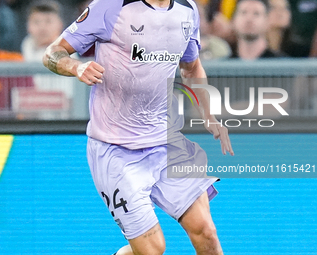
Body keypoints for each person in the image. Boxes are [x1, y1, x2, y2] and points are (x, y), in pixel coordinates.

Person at [43, 0, 234, 254]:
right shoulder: (111, 7)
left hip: (164, 142)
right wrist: (77, 67)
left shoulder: (188, 11)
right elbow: (52, 53)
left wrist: (208, 116)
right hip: (114, 151)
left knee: (206, 233)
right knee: (152, 249)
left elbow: (192, 67)